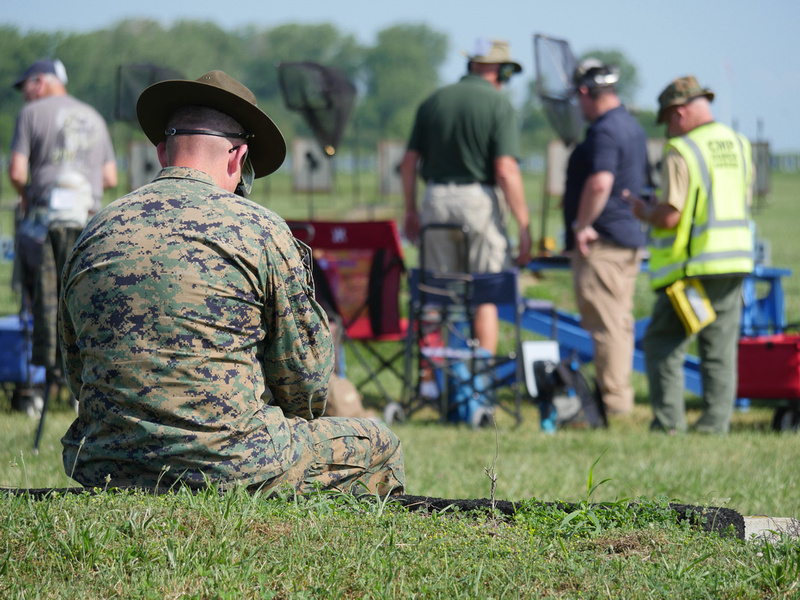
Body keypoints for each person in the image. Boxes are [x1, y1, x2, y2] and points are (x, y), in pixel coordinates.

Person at [59, 70, 405, 494]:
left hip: (104, 464)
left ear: (162, 150)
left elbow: (78, 372)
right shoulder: (259, 229)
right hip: (228, 465)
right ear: (237, 158)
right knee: (379, 444)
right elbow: (308, 386)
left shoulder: (95, 231)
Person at [629, 75, 753, 434]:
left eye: (668, 119)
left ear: (680, 112)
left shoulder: (682, 150)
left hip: (694, 269)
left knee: (664, 341)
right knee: (719, 347)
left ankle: (669, 423)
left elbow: (672, 215)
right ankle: (715, 425)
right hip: (735, 261)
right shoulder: (739, 144)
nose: (668, 129)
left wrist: (644, 211)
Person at [401, 38, 532, 355]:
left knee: (437, 293)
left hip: (435, 199)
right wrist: (525, 227)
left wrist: (411, 211)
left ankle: (436, 379)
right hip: (478, 203)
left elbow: (408, 163)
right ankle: (479, 380)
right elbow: (505, 169)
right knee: (483, 293)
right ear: (499, 71)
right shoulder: (499, 105)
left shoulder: (433, 101)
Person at [9, 58, 118, 395]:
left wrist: (26, 198)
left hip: (43, 224)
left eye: (26, 85)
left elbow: (16, 172)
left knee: (40, 301)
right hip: (87, 224)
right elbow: (110, 178)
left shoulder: (31, 114)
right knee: (85, 301)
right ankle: (84, 385)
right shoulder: (96, 118)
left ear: (41, 81)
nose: (25, 94)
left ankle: (41, 384)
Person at [561, 59, 649, 416]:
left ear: (585, 92)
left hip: (605, 244)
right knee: (619, 325)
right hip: (625, 239)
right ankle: (616, 402)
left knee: (607, 328)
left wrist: (582, 224)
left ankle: (614, 409)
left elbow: (601, 182)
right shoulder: (630, 125)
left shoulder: (604, 130)